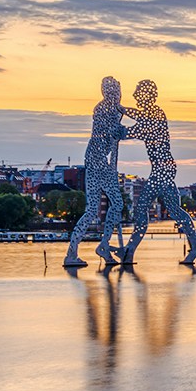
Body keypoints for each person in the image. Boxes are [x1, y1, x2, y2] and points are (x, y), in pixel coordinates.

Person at [117, 79, 196, 266]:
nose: (135, 96)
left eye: (138, 93)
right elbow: (138, 116)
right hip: (163, 169)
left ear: (146, 95)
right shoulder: (150, 114)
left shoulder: (155, 114)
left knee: (142, 207)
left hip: (163, 169)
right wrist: (122, 109)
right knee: (175, 210)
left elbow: (137, 131)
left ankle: (129, 252)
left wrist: (119, 129)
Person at [63, 77, 128, 267]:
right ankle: (103, 246)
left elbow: (117, 130)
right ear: (106, 93)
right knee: (115, 204)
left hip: (96, 162)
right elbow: (113, 132)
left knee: (95, 209)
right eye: (112, 91)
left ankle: (75, 252)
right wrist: (122, 128)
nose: (115, 95)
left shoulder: (113, 110)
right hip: (97, 162)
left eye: (117, 91)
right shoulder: (103, 110)